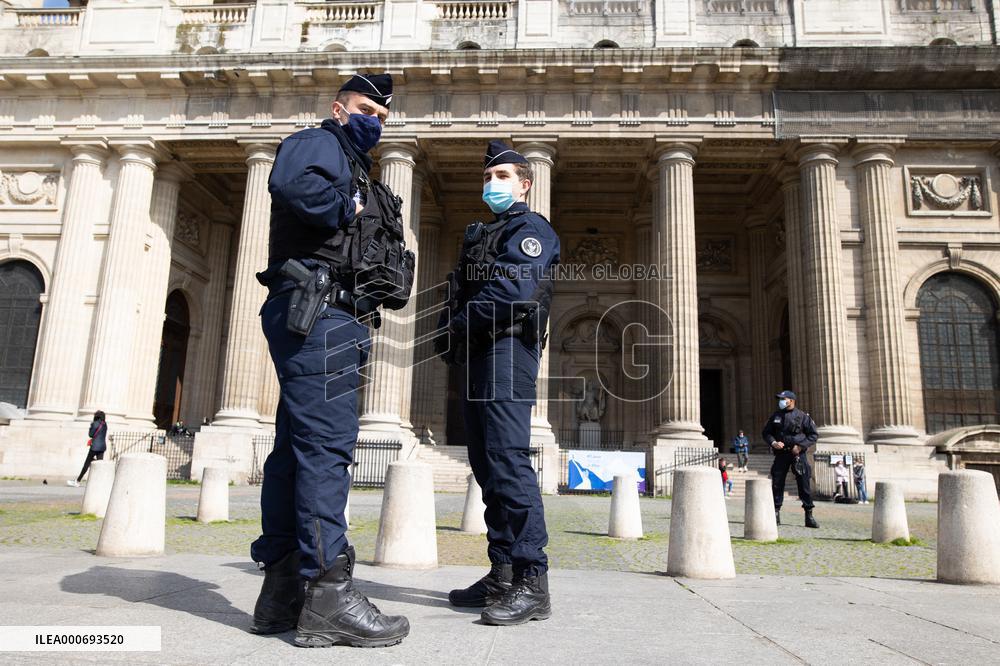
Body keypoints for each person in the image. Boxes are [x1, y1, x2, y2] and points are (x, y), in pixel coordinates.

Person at [249, 73, 410, 648]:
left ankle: (282, 591)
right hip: (318, 311)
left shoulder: (356, 163)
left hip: (327, 313)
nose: (375, 121)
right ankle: (328, 594)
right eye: (367, 109)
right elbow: (297, 189)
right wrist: (349, 207)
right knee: (325, 450)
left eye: (383, 116)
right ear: (339, 109)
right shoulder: (318, 142)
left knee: (296, 449)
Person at [438, 140, 560, 626]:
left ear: (525, 184)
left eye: (504, 176)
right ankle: (503, 572)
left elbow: (516, 289)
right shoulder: (487, 234)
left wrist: (461, 321)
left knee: (508, 461)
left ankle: (533, 579)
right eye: (488, 177)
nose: (494, 184)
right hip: (478, 351)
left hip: (507, 348)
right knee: (487, 465)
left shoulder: (531, 228)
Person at [762, 390, 819, 528]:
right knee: (777, 483)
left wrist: (800, 446)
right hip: (781, 454)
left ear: (791, 401)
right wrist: (773, 442)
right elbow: (766, 433)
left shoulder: (803, 416)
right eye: (780, 399)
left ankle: (809, 514)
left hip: (798, 454)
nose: (781, 401)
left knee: (804, 483)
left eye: (783, 399)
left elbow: (813, 435)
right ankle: (775, 513)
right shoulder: (776, 416)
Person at [67, 410, 107, 487]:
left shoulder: (94, 424)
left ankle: (77, 481)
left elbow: (90, 435)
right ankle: (100, 482)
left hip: (94, 447)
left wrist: (91, 426)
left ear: (96, 416)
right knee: (99, 465)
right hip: (102, 447)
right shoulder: (105, 425)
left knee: (86, 464)